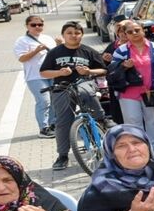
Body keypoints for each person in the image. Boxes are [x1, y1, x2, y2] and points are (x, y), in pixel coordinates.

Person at [40, 21, 110, 171]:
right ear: (63, 35)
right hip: (62, 87)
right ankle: (62, 156)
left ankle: (101, 119)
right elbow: (43, 72)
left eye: (77, 33)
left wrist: (89, 72)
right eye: (69, 33)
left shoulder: (88, 51)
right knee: (63, 122)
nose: (73, 36)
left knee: (84, 91)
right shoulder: (54, 52)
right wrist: (59, 73)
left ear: (82, 35)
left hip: (83, 83)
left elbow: (103, 70)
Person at [107, 20, 154, 154]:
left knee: (152, 120)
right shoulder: (121, 51)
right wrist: (124, 66)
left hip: (151, 89)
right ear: (125, 35)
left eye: (137, 30)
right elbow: (112, 70)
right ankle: (137, 146)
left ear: (143, 30)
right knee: (132, 121)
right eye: (130, 32)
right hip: (128, 92)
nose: (134, 33)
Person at [14, 15, 56, 137]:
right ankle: (43, 128)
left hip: (52, 73)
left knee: (54, 100)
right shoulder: (22, 41)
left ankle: (53, 124)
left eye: (40, 25)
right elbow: (21, 58)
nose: (37, 27)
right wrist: (36, 51)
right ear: (27, 26)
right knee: (44, 101)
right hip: (35, 76)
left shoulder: (47, 38)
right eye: (33, 25)